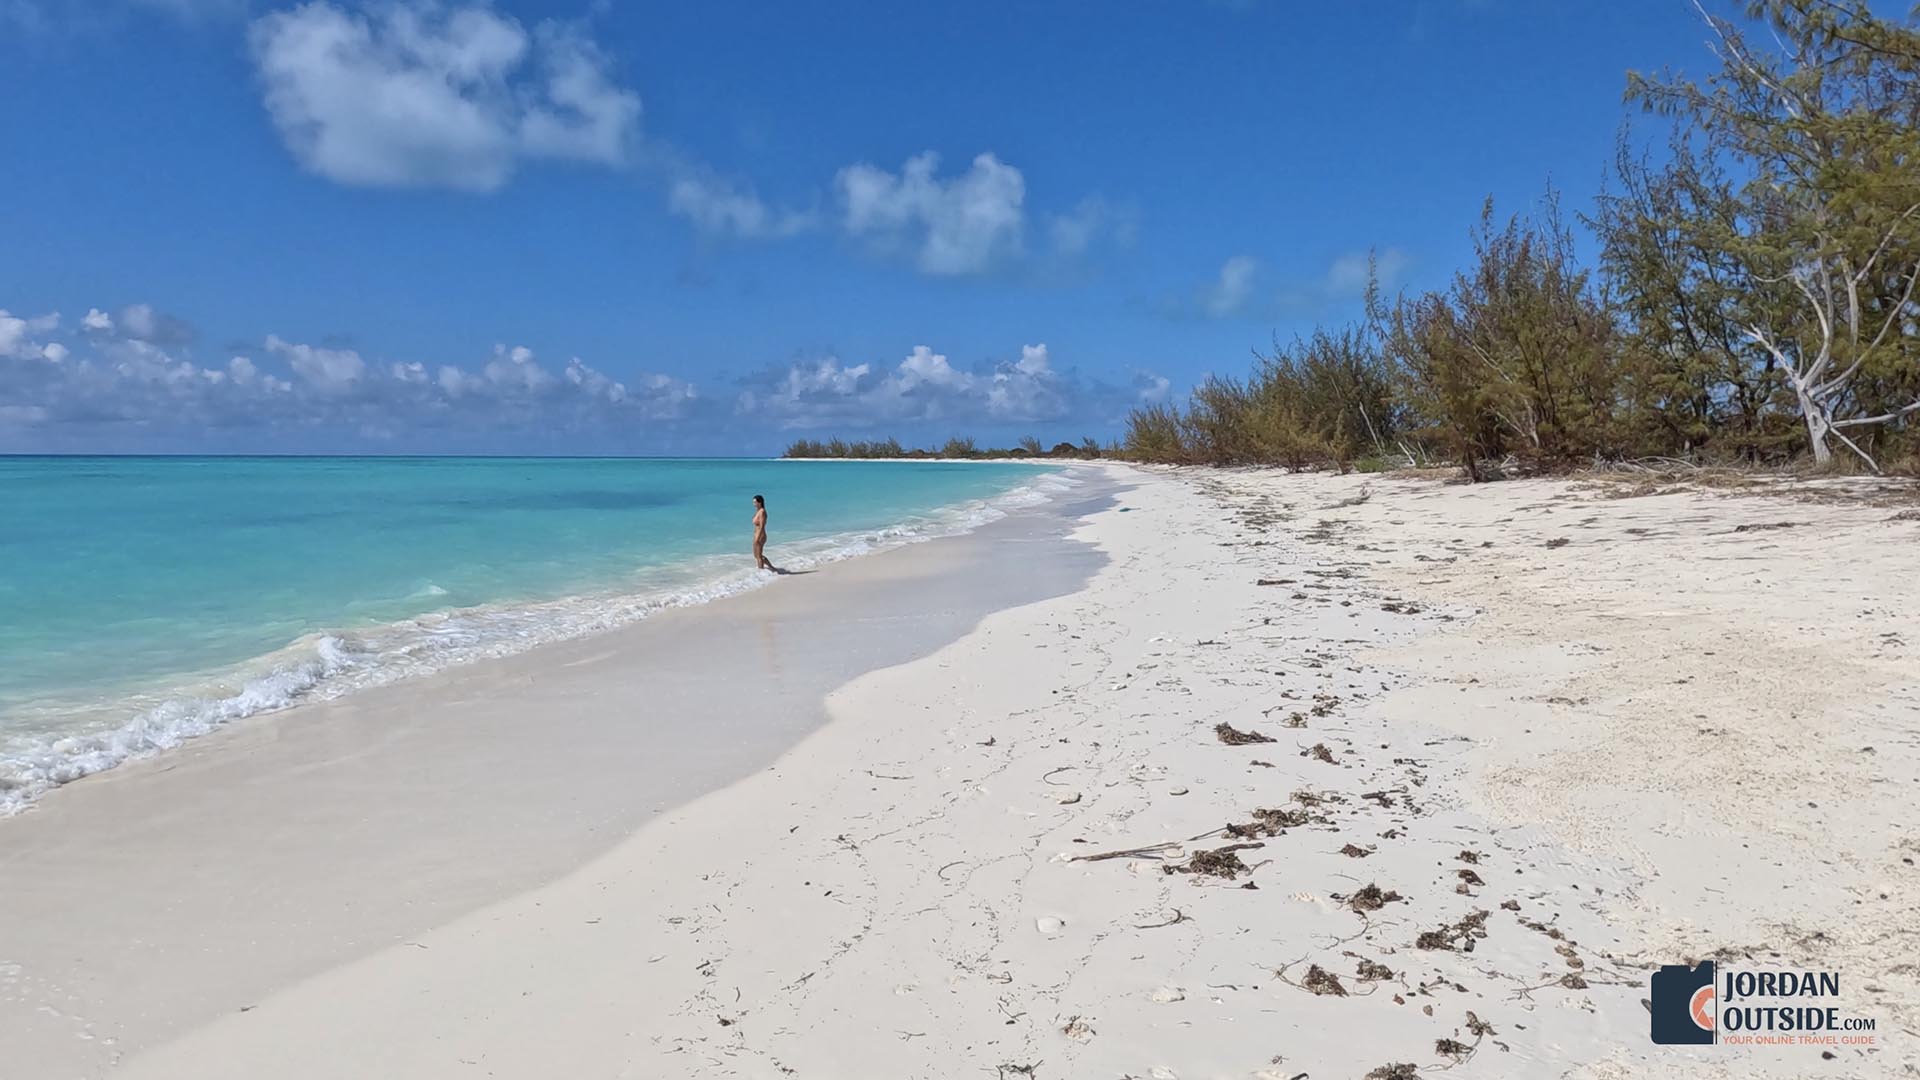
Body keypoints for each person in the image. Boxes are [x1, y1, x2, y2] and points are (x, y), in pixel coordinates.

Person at [752, 494, 772, 570]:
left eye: (755, 502)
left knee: (759, 556)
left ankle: (761, 571)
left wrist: (758, 537)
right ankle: (771, 568)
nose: (753, 504)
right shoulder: (758, 511)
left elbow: (762, 526)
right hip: (756, 534)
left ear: (759, 502)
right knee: (756, 555)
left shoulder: (762, 512)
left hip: (760, 535)